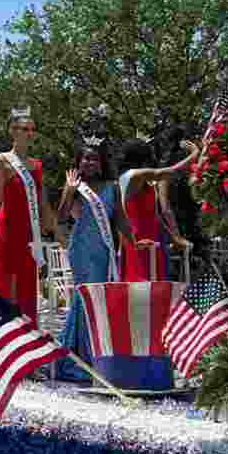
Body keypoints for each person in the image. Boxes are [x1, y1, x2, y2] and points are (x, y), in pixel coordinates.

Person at [0, 107, 61, 325]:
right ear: (12, 130)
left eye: (31, 129)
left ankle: (27, 333)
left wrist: (59, 234)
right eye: (23, 128)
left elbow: (43, 204)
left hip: (30, 233)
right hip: (9, 230)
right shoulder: (3, 160)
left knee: (28, 286)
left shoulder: (36, 165)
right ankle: (5, 333)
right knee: (8, 284)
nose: (29, 133)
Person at [53, 140, 136, 380]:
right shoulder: (76, 186)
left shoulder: (113, 186)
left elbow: (120, 218)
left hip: (104, 249)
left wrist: (134, 242)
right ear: (78, 163)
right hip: (81, 248)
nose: (89, 162)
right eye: (85, 158)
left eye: (94, 159)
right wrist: (69, 189)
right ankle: (78, 358)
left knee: (99, 300)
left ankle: (96, 355)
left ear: (101, 163)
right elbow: (61, 217)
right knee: (85, 298)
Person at [117, 138, 199, 282]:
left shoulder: (145, 183)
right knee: (140, 287)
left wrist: (174, 238)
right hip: (137, 241)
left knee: (157, 286)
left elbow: (155, 216)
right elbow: (171, 172)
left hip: (154, 241)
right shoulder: (132, 176)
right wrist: (194, 154)